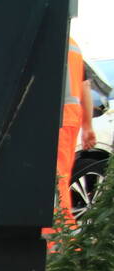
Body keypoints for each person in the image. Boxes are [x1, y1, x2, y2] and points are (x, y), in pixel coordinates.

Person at [46, 37, 95, 238]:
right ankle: (63, 240)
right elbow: (85, 87)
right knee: (60, 179)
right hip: (71, 117)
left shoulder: (51, 34)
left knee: (53, 181)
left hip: (55, 117)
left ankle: (61, 242)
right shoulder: (73, 43)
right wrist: (88, 126)